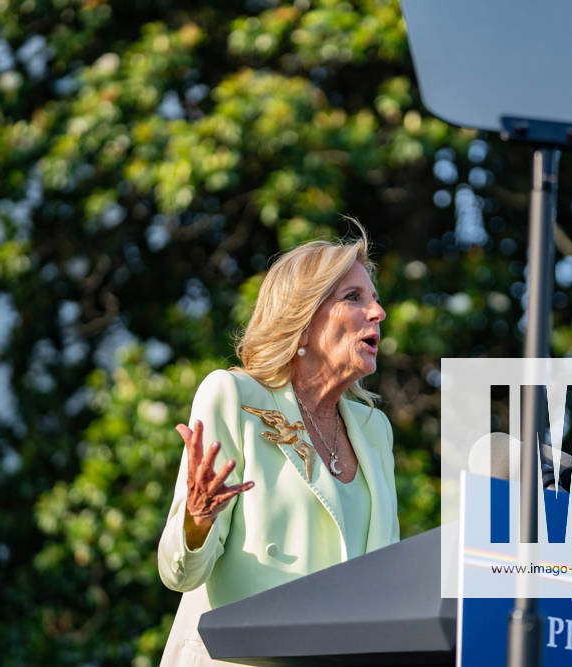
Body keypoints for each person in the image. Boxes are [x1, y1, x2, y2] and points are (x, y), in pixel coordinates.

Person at [157, 225, 399, 666]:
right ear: (302, 321)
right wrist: (196, 521)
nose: (378, 311)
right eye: (353, 297)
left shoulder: (375, 429)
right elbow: (180, 573)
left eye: (374, 297)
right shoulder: (234, 396)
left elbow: (383, 578)